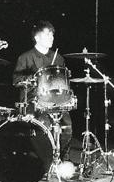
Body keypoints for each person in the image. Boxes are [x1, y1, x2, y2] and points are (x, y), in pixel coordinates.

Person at [12, 20, 73, 159]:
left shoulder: (58, 58)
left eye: (52, 35)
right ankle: (42, 159)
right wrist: (34, 78)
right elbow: (16, 80)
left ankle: (61, 158)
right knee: (40, 131)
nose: (51, 38)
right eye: (47, 35)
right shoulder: (25, 57)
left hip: (56, 100)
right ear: (37, 38)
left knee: (66, 128)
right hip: (33, 99)